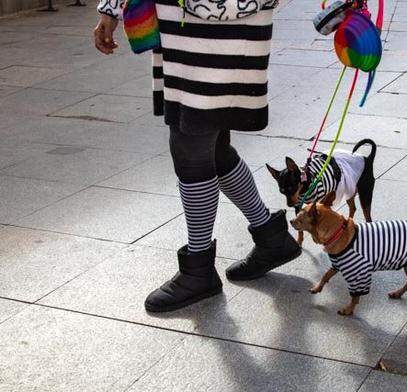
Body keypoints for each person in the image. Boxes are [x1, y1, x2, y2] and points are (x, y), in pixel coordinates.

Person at [94, 0, 301, 312]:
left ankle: (198, 268)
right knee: (211, 145)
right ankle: (272, 238)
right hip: (184, 33)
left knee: (190, 146)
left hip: (221, 30)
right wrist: (110, 8)